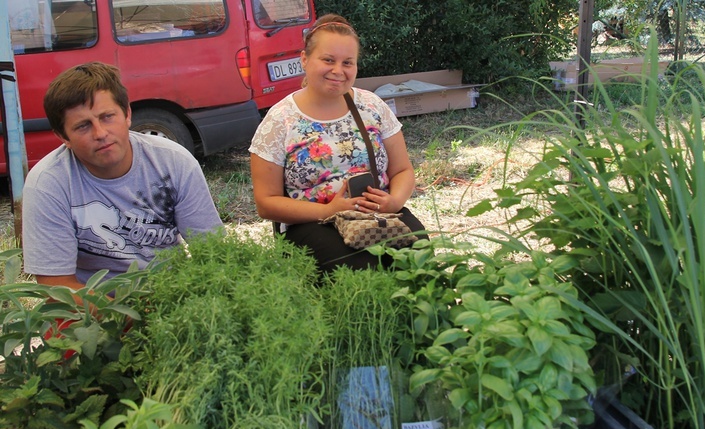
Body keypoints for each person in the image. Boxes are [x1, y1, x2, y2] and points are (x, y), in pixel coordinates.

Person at [22, 62, 223, 290]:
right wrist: (129, 315)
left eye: (107, 116)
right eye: (83, 126)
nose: (100, 133)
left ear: (127, 114)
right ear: (63, 137)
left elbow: (213, 252)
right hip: (94, 309)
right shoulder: (47, 184)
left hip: (170, 298)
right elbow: (56, 287)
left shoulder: (174, 162)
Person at [249, 14, 425, 274]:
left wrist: (394, 201)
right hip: (311, 222)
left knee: (419, 253)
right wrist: (328, 209)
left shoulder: (372, 106)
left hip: (376, 214)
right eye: (328, 60)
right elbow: (266, 203)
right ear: (305, 60)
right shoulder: (280, 121)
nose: (338, 71)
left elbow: (402, 171)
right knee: (356, 268)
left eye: (347, 63)